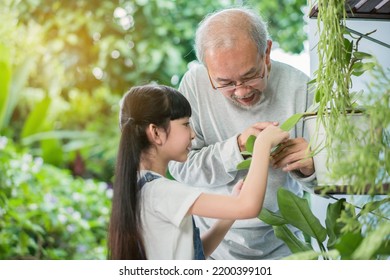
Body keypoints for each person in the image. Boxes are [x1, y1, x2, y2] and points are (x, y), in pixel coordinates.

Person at [168, 7, 316, 260]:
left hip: (287, 247)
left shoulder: (302, 88)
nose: (241, 91)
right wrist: (237, 147)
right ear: (207, 68)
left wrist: (311, 168)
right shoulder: (193, 86)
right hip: (213, 247)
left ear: (267, 52)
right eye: (225, 83)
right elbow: (180, 169)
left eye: (250, 76)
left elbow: (325, 183)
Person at [107, 84, 289, 260]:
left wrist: (233, 205)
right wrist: (262, 145)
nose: (193, 134)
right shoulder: (161, 191)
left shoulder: (141, 187)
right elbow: (248, 206)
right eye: (186, 124)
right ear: (156, 133)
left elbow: (195, 254)